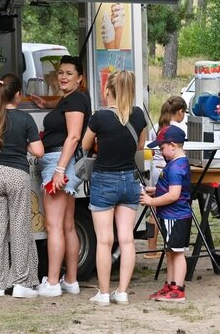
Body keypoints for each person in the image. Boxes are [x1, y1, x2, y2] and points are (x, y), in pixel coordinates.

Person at [0, 73, 44, 299]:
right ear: (18, 95)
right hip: (16, 175)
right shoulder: (25, 119)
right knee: (20, 228)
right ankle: (21, 283)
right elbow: (39, 151)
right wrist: (24, 145)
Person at [81, 70, 147, 306]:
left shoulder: (99, 117)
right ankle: (122, 292)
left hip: (104, 180)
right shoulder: (138, 115)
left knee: (104, 240)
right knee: (127, 239)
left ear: (107, 90)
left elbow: (85, 145)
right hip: (130, 179)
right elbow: (140, 145)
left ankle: (103, 293)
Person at [30, 55, 91, 297]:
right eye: (61, 73)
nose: (63, 77)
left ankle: (53, 283)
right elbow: (66, 115)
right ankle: (71, 281)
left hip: (59, 162)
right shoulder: (72, 99)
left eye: (69, 73)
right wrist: (48, 104)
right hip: (64, 163)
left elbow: (73, 136)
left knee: (53, 226)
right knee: (67, 226)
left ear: (80, 78)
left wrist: (59, 170)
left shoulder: (75, 100)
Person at [140, 125, 191, 302]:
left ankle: (178, 289)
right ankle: (170, 285)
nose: (160, 152)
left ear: (172, 145)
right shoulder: (176, 163)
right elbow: (171, 188)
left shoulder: (176, 167)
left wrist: (151, 201)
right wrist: (156, 190)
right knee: (170, 251)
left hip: (175, 216)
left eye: (162, 148)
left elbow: (174, 195)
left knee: (177, 252)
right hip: (172, 215)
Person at [144, 96, 187, 259]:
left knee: (154, 208)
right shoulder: (180, 128)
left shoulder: (156, 126)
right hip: (171, 171)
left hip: (157, 170)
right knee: (171, 206)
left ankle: (151, 247)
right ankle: (174, 242)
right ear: (180, 112)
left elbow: (151, 151)